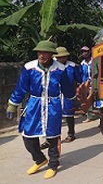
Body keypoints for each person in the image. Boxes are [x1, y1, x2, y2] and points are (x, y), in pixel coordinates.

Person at [6, 40, 75, 179]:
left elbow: (68, 88)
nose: (41, 55)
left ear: (50, 54)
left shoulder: (60, 69)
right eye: (39, 52)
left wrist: (73, 100)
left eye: (44, 52)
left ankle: (53, 164)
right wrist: (13, 104)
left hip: (53, 105)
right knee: (28, 135)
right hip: (34, 104)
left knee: (53, 136)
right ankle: (39, 159)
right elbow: (21, 88)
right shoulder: (29, 68)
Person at [40, 46, 82, 149]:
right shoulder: (50, 67)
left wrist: (77, 92)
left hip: (68, 94)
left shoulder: (72, 67)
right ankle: (49, 139)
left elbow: (79, 79)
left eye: (63, 57)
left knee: (69, 115)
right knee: (51, 118)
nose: (61, 59)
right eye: (59, 57)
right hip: (54, 95)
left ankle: (71, 133)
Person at [80, 46, 96, 123]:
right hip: (86, 83)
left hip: (94, 82)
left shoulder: (94, 61)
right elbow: (83, 74)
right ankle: (90, 116)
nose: (84, 53)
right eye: (83, 52)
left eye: (86, 51)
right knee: (87, 99)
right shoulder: (82, 63)